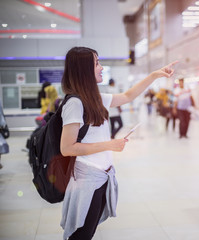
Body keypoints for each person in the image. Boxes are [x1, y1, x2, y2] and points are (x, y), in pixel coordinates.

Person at [59, 46, 177, 240]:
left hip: (101, 175)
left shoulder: (95, 98)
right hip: (87, 177)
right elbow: (67, 148)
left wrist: (155, 75)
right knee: (81, 234)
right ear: (84, 69)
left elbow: (128, 96)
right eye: (97, 63)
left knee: (88, 231)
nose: (101, 67)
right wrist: (109, 144)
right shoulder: (75, 103)